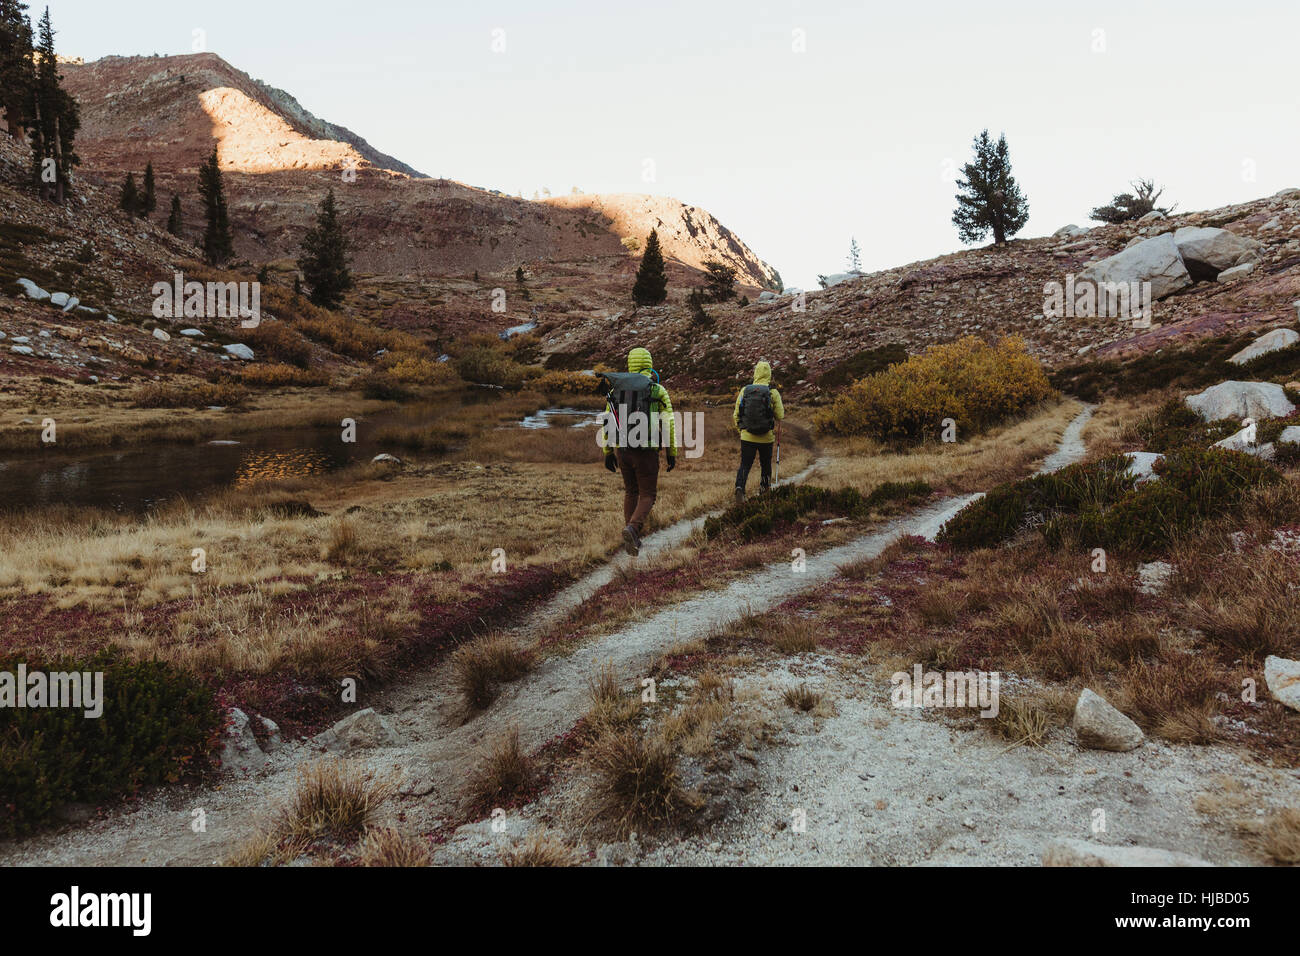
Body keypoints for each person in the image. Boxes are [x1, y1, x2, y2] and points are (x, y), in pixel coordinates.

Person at [599, 347, 679, 556]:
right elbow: (669, 423)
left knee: (631, 492)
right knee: (648, 494)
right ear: (649, 364)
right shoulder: (656, 389)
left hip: (622, 449)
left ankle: (632, 537)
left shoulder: (617, 389)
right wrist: (672, 452)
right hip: (647, 451)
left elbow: (607, 420)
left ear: (630, 364)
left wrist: (608, 451)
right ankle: (633, 529)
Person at [733, 360, 784, 504]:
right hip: (766, 438)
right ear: (769, 374)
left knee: (745, 464)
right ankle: (764, 490)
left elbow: (736, 415)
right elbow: (780, 416)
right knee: (765, 464)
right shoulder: (773, 392)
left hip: (747, 436)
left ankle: (740, 487)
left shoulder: (745, 391)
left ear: (756, 373)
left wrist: (741, 431)